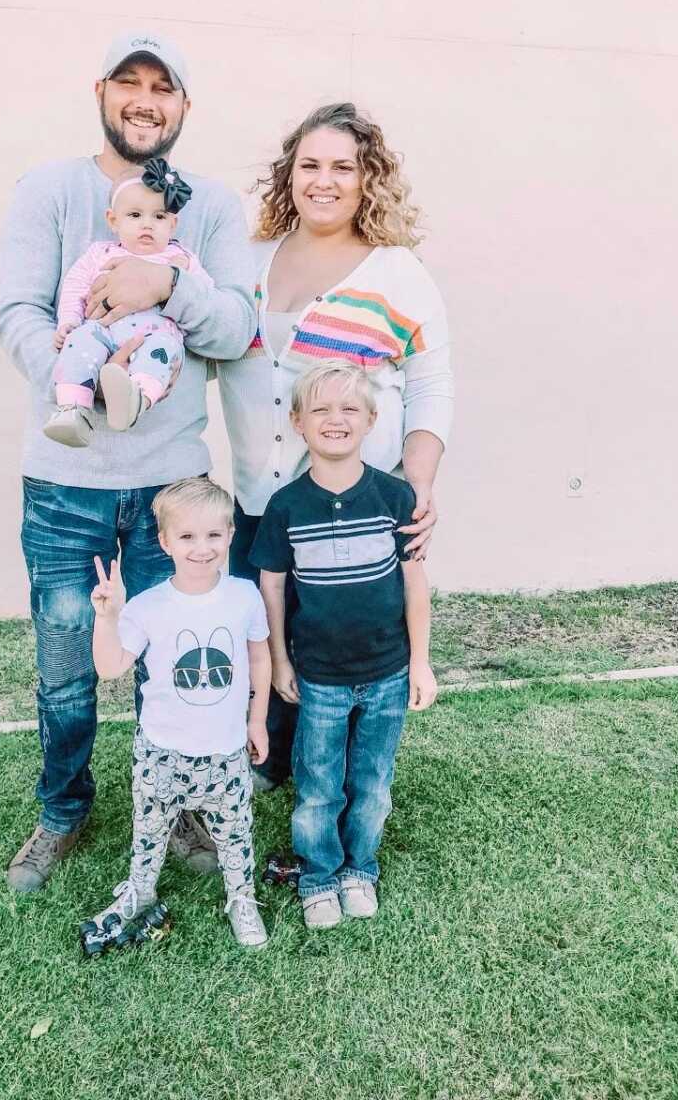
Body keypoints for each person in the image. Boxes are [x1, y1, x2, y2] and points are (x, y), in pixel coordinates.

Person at [0, 30, 256, 892]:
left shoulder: (208, 209)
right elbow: (19, 312)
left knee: (169, 663)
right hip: (65, 481)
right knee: (67, 671)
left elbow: (233, 329)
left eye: (164, 88)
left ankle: (176, 808)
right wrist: (88, 376)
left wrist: (164, 288)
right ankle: (63, 812)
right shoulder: (51, 190)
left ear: (184, 107)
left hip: (170, 487)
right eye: (130, 84)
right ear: (102, 91)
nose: (146, 101)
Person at [217, 101, 453, 791]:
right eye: (310, 164)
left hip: (352, 498)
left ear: (367, 178)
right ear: (289, 175)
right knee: (265, 624)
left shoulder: (396, 271)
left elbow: (432, 384)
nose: (325, 180)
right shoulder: (248, 262)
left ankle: (344, 771)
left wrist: (416, 485)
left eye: (343, 167)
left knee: (338, 630)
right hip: (260, 495)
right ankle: (268, 754)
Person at [250, 361, 438, 929]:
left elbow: (414, 581)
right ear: (298, 422)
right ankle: (318, 875)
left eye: (349, 408)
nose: (336, 420)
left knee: (372, 783)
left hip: (387, 671)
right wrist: (281, 659)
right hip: (319, 676)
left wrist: (421, 664)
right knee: (318, 787)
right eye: (321, 410)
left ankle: (360, 869)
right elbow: (273, 586)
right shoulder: (285, 506)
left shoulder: (395, 495)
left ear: (372, 419)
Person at [80, 477, 271, 948]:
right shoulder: (147, 607)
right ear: (165, 541)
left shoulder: (244, 595)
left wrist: (257, 719)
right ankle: (139, 891)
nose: (201, 548)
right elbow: (110, 668)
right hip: (161, 752)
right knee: (148, 832)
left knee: (235, 833)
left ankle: (241, 898)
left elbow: (259, 658)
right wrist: (107, 618)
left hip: (225, 753)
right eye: (187, 536)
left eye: (213, 535)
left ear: (229, 535)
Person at [46, 158, 211, 444]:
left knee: (162, 351)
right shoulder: (99, 255)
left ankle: (136, 400)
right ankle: (73, 409)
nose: (147, 225)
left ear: (173, 224)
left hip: (155, 336)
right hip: (104, 333)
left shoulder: (180, 260)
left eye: (158, 217)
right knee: (80, 341)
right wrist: (69, 321)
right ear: (113, 220)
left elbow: (206, 298)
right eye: (135, 215)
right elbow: (75, 287)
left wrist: (180, 278)